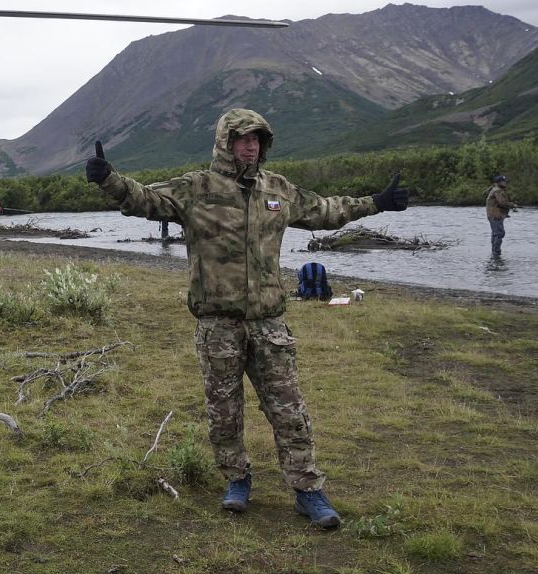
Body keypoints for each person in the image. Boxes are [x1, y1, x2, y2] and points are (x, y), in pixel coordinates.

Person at [86, 108, 410, 530]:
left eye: (257, 139)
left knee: (290, 410)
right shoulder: (196, 187)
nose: (251, 146)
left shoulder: (277, 190)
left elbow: (325, 210)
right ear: (225, 142)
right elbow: (144, 199)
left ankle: (307, 489)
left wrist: (377, 203)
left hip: (268, 323)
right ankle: (236, 480)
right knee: (224, 411)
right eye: (242, 138)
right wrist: (109, 179)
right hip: (217, 324)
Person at [486, 175, 517, 258]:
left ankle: (494, 253)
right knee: (499, 233)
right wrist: (512, 205)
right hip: (495, 215)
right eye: (504, 181)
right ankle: (496, 253)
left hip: (494, 215)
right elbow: (502, 203)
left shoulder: (496, 190)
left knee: (495, 234)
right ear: (499, 182)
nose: (505, 183)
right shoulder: (498, 191)